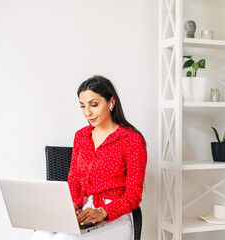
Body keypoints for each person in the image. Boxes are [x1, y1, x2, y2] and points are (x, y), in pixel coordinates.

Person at [32, 75, 147, 240]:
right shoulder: (81, 136)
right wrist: (70, 206)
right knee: (40, 234)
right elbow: (73, 180)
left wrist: (102, 212)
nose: (87, 113)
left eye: (94, 105)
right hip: (81, 210)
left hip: (114, 217)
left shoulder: (131, 140)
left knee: (64, 238)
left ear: (111, 102)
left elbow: (134, 195)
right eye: (82, 106)